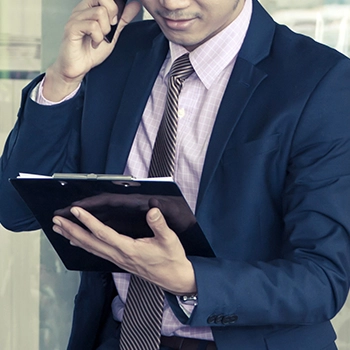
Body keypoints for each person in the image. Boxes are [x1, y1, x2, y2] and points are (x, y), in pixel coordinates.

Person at [1, 0, 350, 348]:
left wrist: (190, 280)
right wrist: (62, 80)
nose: (171, 3)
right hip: (116, 337)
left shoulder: (320, 80)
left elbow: (323, 279)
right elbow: (17, 212)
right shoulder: (112, 54)